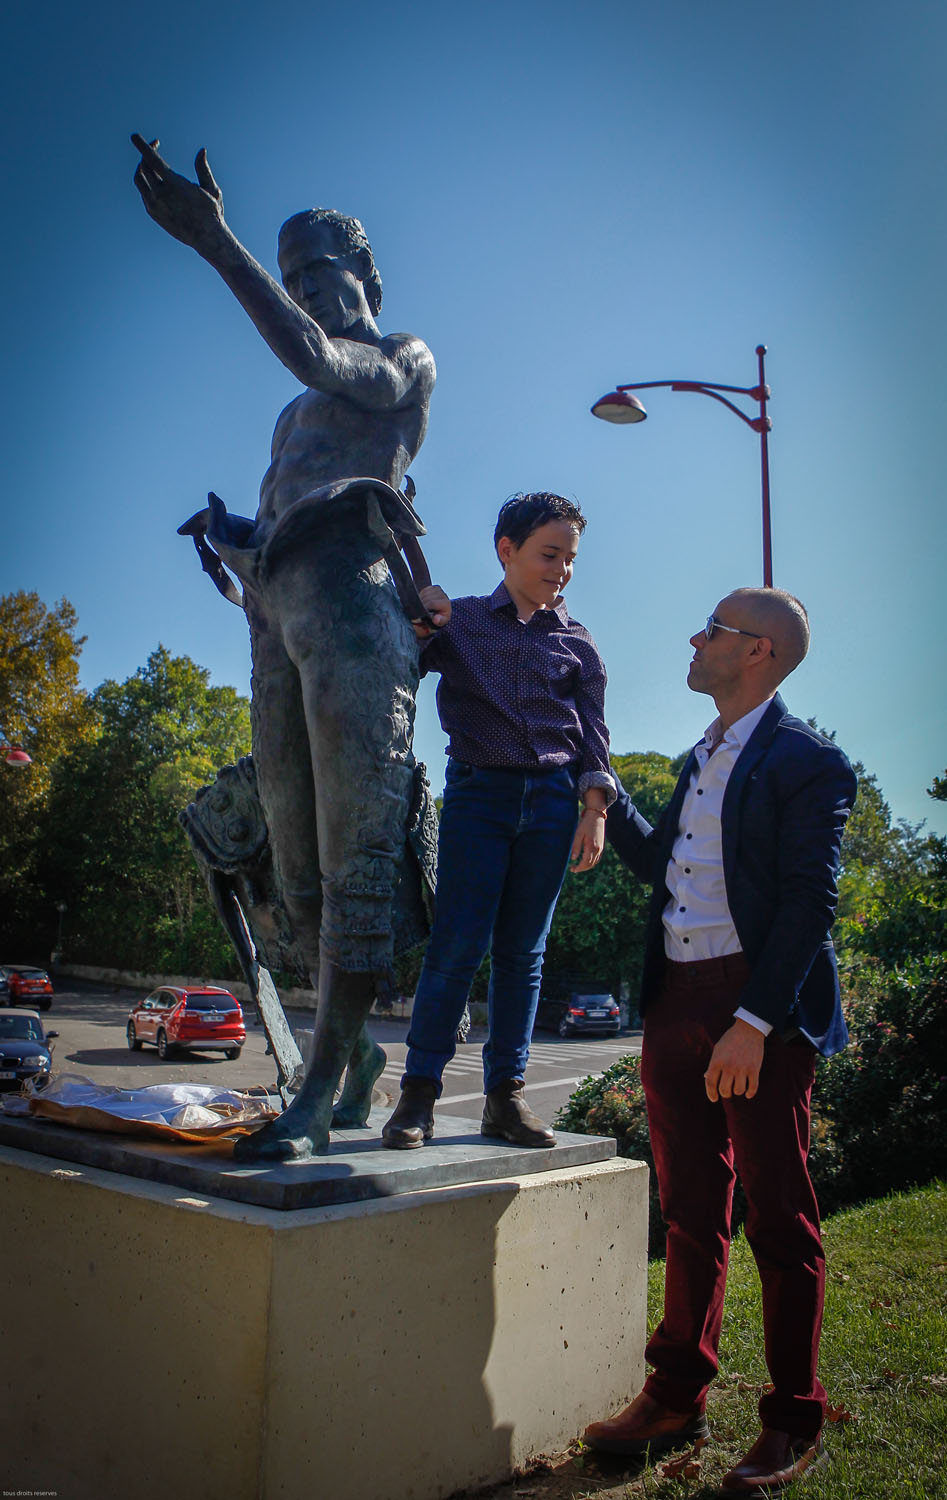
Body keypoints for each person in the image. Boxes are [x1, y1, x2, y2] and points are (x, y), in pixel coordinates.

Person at [131, 136, 436, 1159]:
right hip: (274, 619)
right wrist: (233, 531)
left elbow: (318, 354)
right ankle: (349, 1062)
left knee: (355, 862)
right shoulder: (291, 416)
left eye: (321, 273)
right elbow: (279, 498)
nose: (308, 290)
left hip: (356, 612)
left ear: (367, 279)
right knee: (293, 872)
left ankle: (315, 1091)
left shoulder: (398, 362)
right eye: (293, 274)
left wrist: (217, 243)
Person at [582, 588, 857, 1496]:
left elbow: (810, 903)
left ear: (760, 653)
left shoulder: (807, 762)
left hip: (755, 1012)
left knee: (777, 1219)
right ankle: (675, 1395)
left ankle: (790, 1420)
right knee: (689, 1213)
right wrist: (604, 790)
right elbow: (663, 868)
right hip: (674, 1005)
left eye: (713, 631)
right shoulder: (700, 756)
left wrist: (752, 1024)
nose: (694, 640)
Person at [382, 492, 615, 1151]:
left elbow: (594, 739)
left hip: (550, 803)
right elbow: (397, 661)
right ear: (506, 550)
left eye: (570, 559)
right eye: (549, 554)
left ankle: (505, 1100)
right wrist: (416, 618)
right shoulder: (460, 621)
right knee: (456, 945)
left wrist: (592, 811)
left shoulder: (578, 645)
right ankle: (417, 1096)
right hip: (477, 797)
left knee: (523, 954)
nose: (561, 570)